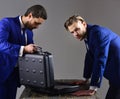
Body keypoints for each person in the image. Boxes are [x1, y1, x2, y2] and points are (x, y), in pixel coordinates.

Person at [64, 15, 120, 99]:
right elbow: (90, 56)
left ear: (84, 24)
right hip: (115, 75)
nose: (75, 34)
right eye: (72, 32)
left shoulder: (98, 33)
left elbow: (100, 59)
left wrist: (93, 88)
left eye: (77, 29)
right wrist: (85, 78)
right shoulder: (89, 34)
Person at [0, 4, 47, 99]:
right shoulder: (6, 23)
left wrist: (35, 51)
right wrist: (23, 49)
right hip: (2, 73)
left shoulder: (29, 32)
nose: (37, 27)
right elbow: (1, 44)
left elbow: (28, 52)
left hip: (14, 76)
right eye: (36, 23)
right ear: (30, 16)